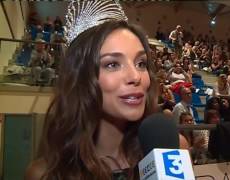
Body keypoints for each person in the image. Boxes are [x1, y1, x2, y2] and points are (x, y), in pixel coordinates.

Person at [25, 1, 157, 179]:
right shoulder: (44, 175)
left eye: (141, 63)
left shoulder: (170, 153)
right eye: (112, 64)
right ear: (82, 77)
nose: (136, 76)